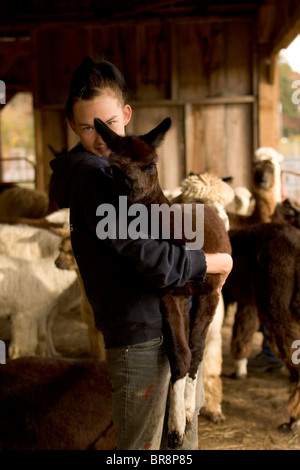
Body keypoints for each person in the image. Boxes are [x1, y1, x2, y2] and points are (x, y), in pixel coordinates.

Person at [50, 56, 233, 450]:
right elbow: (148, 254)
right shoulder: (96, 177)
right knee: (144, 448)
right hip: (139, 340)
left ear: (126, 115)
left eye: (110, 125)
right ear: (71, 125)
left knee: (179, 445)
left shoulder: (119, 171)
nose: (101, 138)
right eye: (88, 127)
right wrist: (209, 263)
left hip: (166, 332)